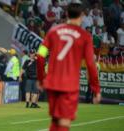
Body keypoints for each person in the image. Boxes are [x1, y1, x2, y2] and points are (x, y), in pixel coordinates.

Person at [36, 3, 101, 131]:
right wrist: (96, 88)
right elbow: (90, 64)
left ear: (66, 14)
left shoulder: (53, 31)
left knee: (56, 122)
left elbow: (40, 55)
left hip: (52, 83)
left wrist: (41, 78)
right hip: (69, 86)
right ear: (82, 16)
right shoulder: (85, 36)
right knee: (64, 123)